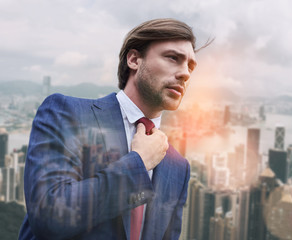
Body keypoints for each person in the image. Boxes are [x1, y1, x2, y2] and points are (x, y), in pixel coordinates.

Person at [18, 18, 200, 240]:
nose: (185, 73)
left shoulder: (177, 166)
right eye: (173, 58)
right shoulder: (66, 114)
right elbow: (49, 217)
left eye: (190, 66)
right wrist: (139, 163)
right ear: (134, 59)